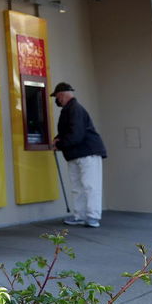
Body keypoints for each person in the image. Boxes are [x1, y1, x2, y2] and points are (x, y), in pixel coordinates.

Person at [51, 82, 107, 228]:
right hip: (77, 153)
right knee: (78, 186)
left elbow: (76, 134)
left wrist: (60, 144)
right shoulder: (70, 110)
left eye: (57, 97)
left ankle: (92, 216)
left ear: (62, 95)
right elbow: (69, 132)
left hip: (87, 152)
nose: (57, 100)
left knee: (90, 185)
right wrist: (59, 139)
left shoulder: (74, 109)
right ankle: (80, 215)